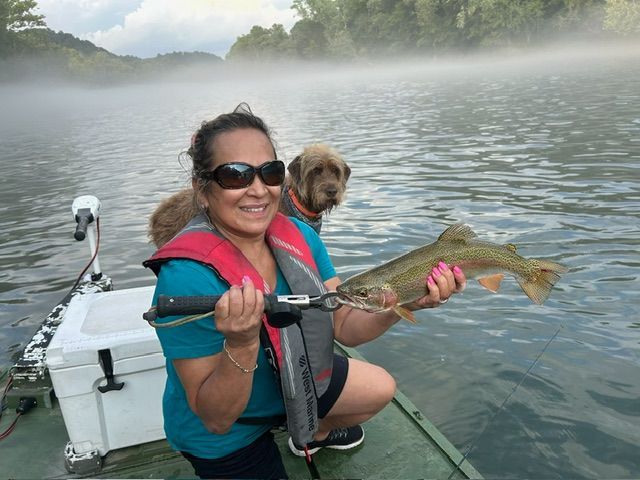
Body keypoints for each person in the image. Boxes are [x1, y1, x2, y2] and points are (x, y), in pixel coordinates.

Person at [144, 103, 466, 479]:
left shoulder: (300, 236)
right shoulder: (186, 277)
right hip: (227, 428)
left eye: (270, 172)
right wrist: (242, 342)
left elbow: (343, 322)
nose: (259, 190)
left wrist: (407, 301)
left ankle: (309, 433)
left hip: (294, 381)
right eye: (235, 176)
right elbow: (216, 419)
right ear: (203, 190)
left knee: (380, 387)